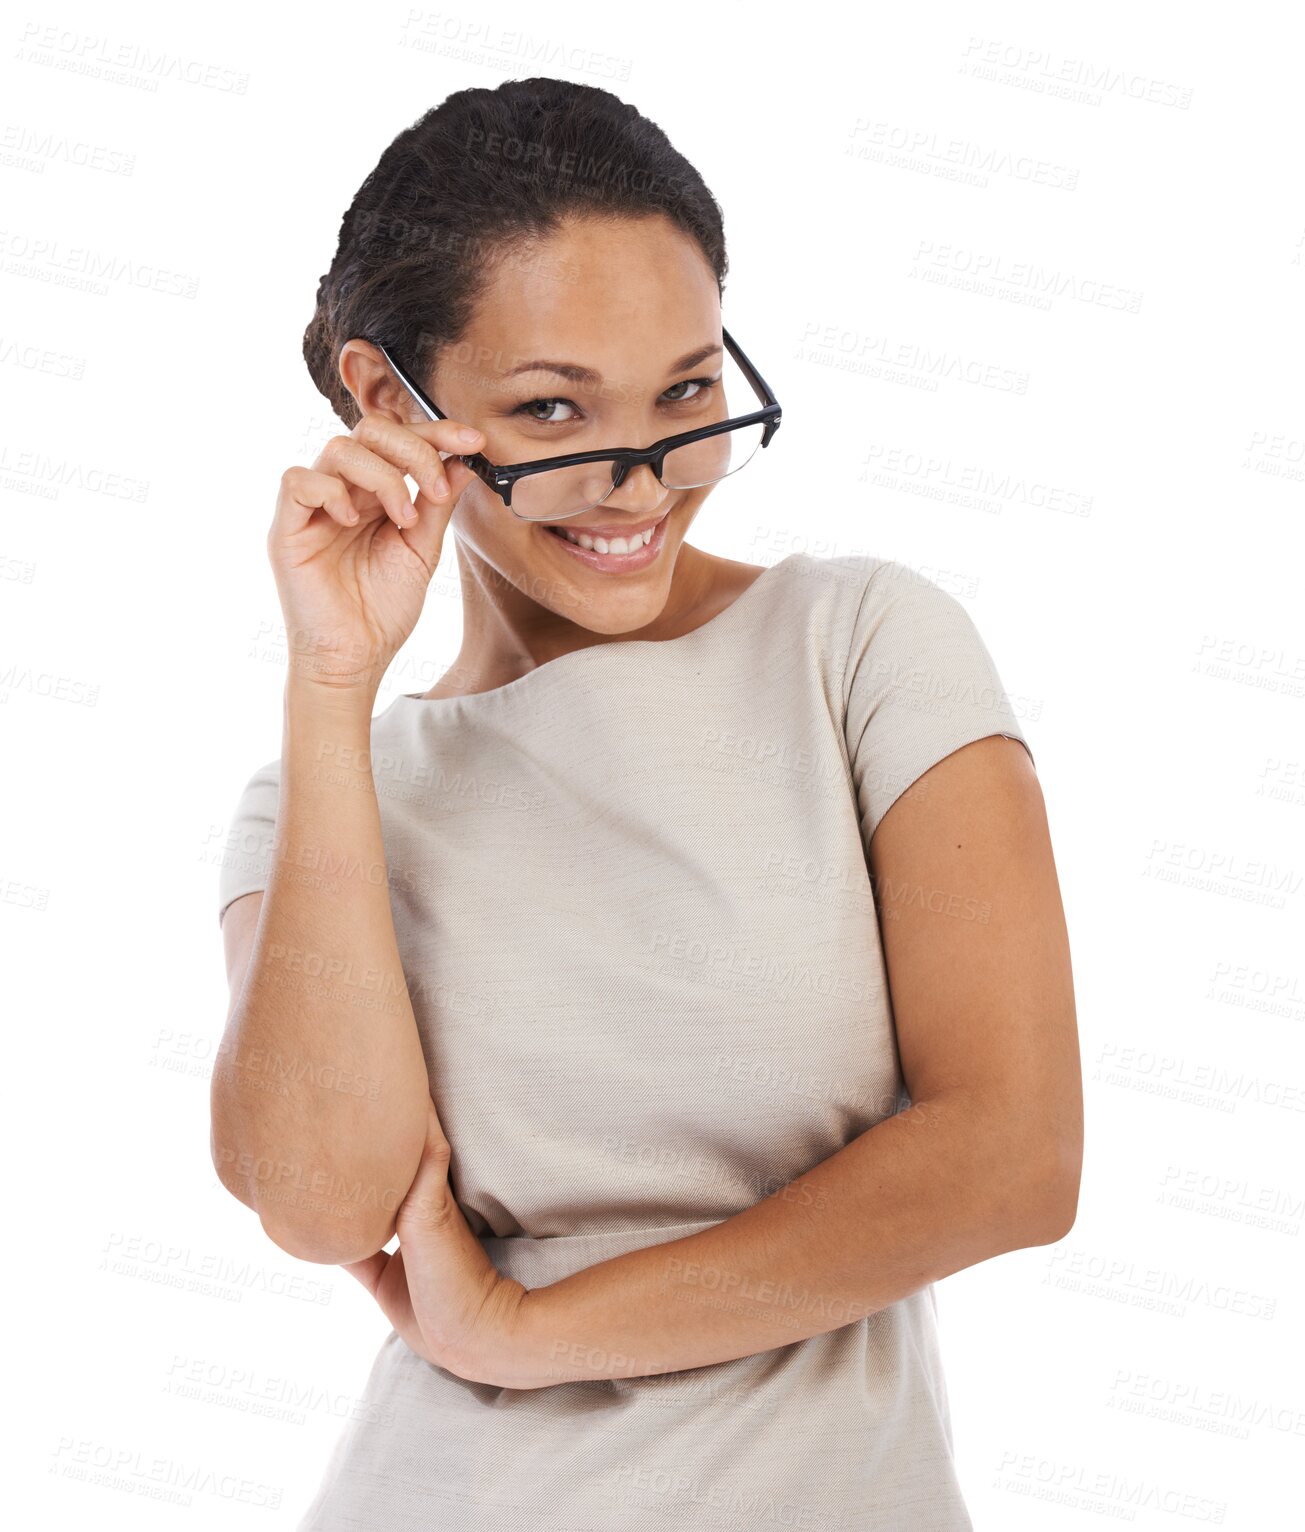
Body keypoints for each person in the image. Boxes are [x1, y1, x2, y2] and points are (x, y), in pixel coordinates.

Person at [212, 76, 1081, 1532]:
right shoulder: (330, 792)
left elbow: (1008, 1157)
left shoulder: (857, 647)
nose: (642, 479)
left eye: (686, 393)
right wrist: (329, 686)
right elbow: (318, 1202)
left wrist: (527, 1332)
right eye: (552, 407)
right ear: (387, 401)